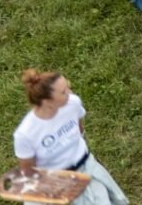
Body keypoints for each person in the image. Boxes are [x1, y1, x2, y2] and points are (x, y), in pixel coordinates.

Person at [13, 69, 128, 205]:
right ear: (47, 101)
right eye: (63, 92)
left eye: (68, 87)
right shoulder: (26, 134)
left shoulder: (72, 103)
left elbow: (79, 129)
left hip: (85, 169)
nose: (70, 93)